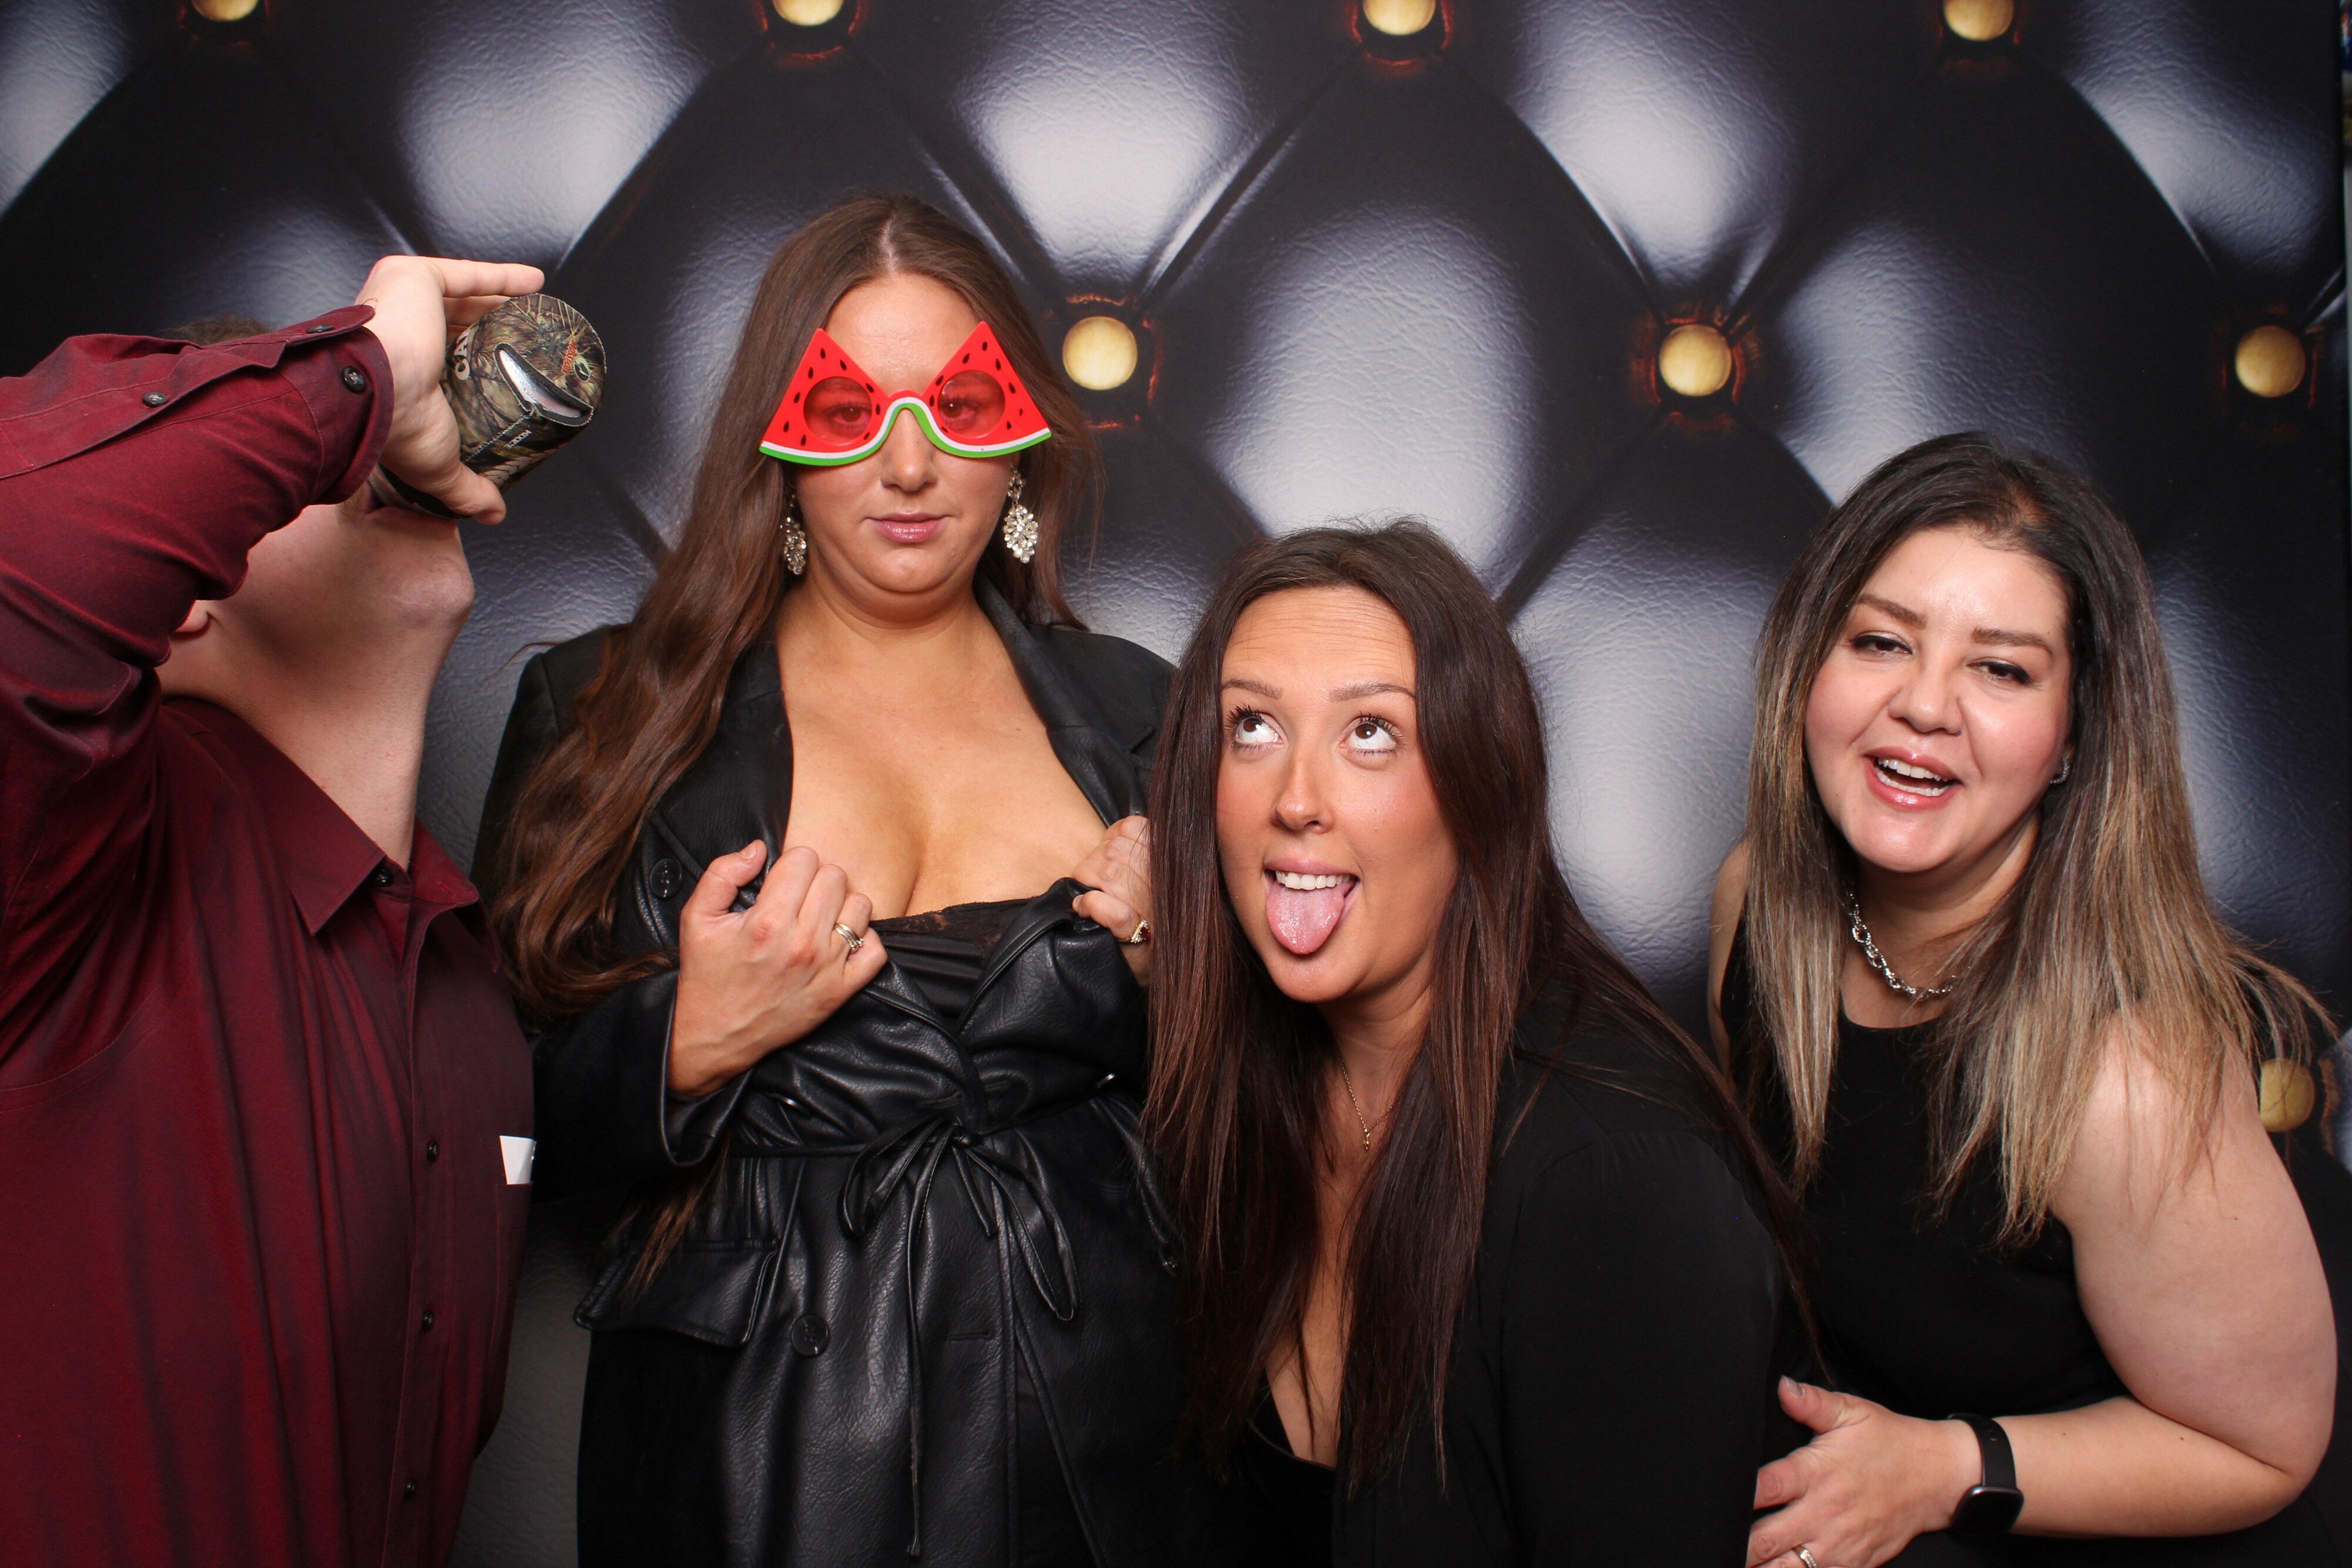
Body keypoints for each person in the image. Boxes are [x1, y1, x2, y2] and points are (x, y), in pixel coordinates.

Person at [474, 194, 1200, 1567]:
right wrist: (682, 1042)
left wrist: (1186, 979)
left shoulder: (1142, 714)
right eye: (848, 410)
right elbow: (474, 1127)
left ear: (1019, 444)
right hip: (746, 1437)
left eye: (957, 406)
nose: (908, 464)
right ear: (780, 446)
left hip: (1106, 1405)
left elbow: (1282, 1101)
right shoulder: (602, 710)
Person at [1716, 433, 2350, 1568]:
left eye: (2002, 670)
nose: (1924, 705)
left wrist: (1940, 1468)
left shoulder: (2129, 1070)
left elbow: (2261, 1451)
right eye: (1881, 641)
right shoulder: (1756, 902)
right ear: (1809, 666)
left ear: (2071, 738)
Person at [0, 256, 543, 1567]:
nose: (382, 462)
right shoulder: (73, 863)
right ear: (183, 592)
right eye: (322, 469)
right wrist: (361, 370)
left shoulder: (468, 993)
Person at [1143, 520, 1812, 1565]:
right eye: (1253, 728)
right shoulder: (1244, 1101)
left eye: (1371, 733)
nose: (1296, 801)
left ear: (1480, 785)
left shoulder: (1614, 1177)